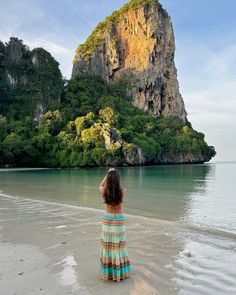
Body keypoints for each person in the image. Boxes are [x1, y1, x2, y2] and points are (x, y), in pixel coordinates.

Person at [99, 168, 131, 282]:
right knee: (118, 245)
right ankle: (119, 272)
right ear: (118, 180)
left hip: (107, 219)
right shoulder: (122, 191)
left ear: (108, 179)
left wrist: (108, 173)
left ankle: (108, 273)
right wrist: (114, 175)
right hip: (118, 220)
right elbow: (118, 185)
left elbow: (101, 184)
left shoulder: (104, 191)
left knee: (107, 245)